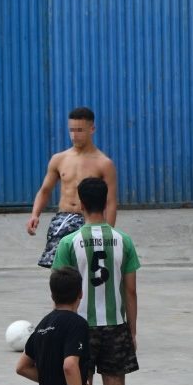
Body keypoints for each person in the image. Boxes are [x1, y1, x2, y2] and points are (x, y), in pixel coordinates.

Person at [52, 177, 139, 385]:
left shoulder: (68, 243)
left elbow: (60, 296)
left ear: (80, 204)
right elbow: (130, 291)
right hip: (115, 326)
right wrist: (132, 330)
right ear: (106, 202)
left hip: (80, 329)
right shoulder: (123, 241)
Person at [26, 107, 118, 268]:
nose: (74, 135)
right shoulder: (59, 159)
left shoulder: (104, 163)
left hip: (89, 220)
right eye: (72, 130)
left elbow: (110, 202)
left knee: (86, 269)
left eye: (80, 130)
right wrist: (35, 215)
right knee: (59, 272)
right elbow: (45, 190)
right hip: (62, 219)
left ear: (92, 129)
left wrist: (107, 232)